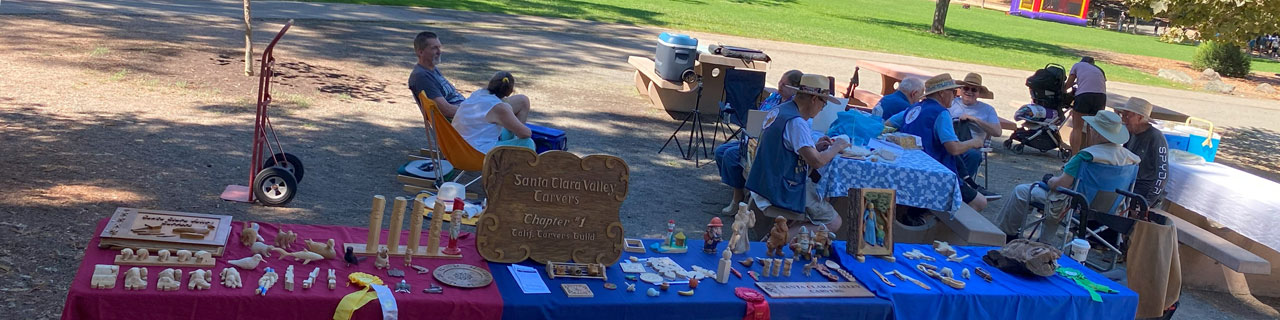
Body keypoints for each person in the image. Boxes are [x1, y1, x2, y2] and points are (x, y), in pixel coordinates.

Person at [993, 110, 1140, 246]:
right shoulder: (1131, 159)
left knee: (1023, 191)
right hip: (1107, 211)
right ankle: (1043, 243)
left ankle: (1008, 235)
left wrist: (1049, 180)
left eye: (1092, 128)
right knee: (1060, 198)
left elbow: (1060, 185)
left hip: (1075, 208)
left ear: (1097, 132)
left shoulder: (1087, 155)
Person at [745, 73, 850, 237]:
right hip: (780, 187)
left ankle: (784, 235)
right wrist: (836, 147)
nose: (823, 107)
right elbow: (817, 162)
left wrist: (814, 146)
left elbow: (783, 149)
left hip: (763, 180)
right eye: (824, 102)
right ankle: (779, 238)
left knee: (818, 198)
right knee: (833, 221)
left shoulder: (780, 110)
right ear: (814, 99)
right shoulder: (796, 122)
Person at [884, 74, 988, 211]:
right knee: (980, 202)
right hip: (935, 174)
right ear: (942, 93)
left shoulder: (914, 108)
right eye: (953, 91)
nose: (955, 95)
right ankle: (938, 226)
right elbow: (953, 148)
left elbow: (887, 124)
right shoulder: (941, 113)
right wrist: (974, 142)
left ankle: (925, 217)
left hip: (909, 168)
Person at [714, 69, 803, 215]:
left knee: (731, 155)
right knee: (721, 151)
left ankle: (737, 201)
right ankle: (739, 190)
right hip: (755, 136)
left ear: (795, 88)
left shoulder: (793, 106)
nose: (779, 86)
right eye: (780, 82)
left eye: (784, 84)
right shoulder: (774, 97)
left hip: (768, 144)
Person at [451, 71, 535, 153]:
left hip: (457, 148)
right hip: (475, 153)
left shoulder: (477, 94)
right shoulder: (499, 107)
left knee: (519, 106)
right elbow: (526, 133)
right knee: (528, 143)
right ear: (510, 91)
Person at [950, 72, 1002, 199]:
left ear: (979, 93)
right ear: (960, 90)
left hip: (971, 147)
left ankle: (959, 187)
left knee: (973, 155)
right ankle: (964, 187)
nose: (969, 92)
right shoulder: (950, 103)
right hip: (949, 143)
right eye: (966, 88)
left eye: (974, 89)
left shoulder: (987, 110)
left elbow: (997, 132)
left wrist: (974, 119)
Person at [1113, 97, 1167, 207]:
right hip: (1129, 184)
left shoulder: (1156, 137)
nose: (1124, 120)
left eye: (1127, 115)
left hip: (1143, 191)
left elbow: (1162, 175)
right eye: (1122, 115)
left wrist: (1146, 203)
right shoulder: (1131, 133)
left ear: (1140, 117)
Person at [408, 31, 466, 119]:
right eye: (434, 48)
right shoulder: (422, 77)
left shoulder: (432, 69)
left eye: (439, 47)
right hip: (460, 124)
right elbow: (447, 110)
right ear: (420, 52)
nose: (439, 52)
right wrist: (473, 112)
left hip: (465, 115)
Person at [1064, 56, 1107, 156]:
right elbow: (1098, 83)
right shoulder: (1099, 70)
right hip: (1101, 97)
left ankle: (1074, 156)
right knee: (1092, 128)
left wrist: (1062, 92)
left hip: (1084, 95)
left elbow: (1069, 84)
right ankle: (1090, 155)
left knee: (1077, 128)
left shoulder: (1077, 65)